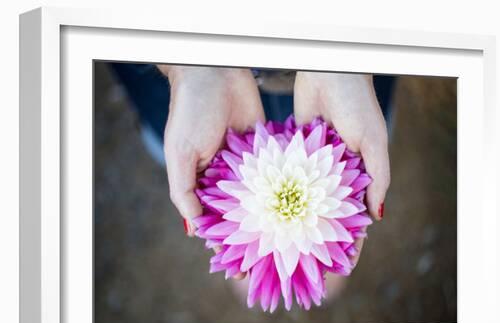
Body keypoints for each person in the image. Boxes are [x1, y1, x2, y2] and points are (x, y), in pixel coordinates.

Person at [111, 64, 391, 274]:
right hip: (200, 73)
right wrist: (189, 65)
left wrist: (343, 60)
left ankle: (317, 261)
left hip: (332, 73)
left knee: (354, 133)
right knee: (194, 153)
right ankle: (291, 264)